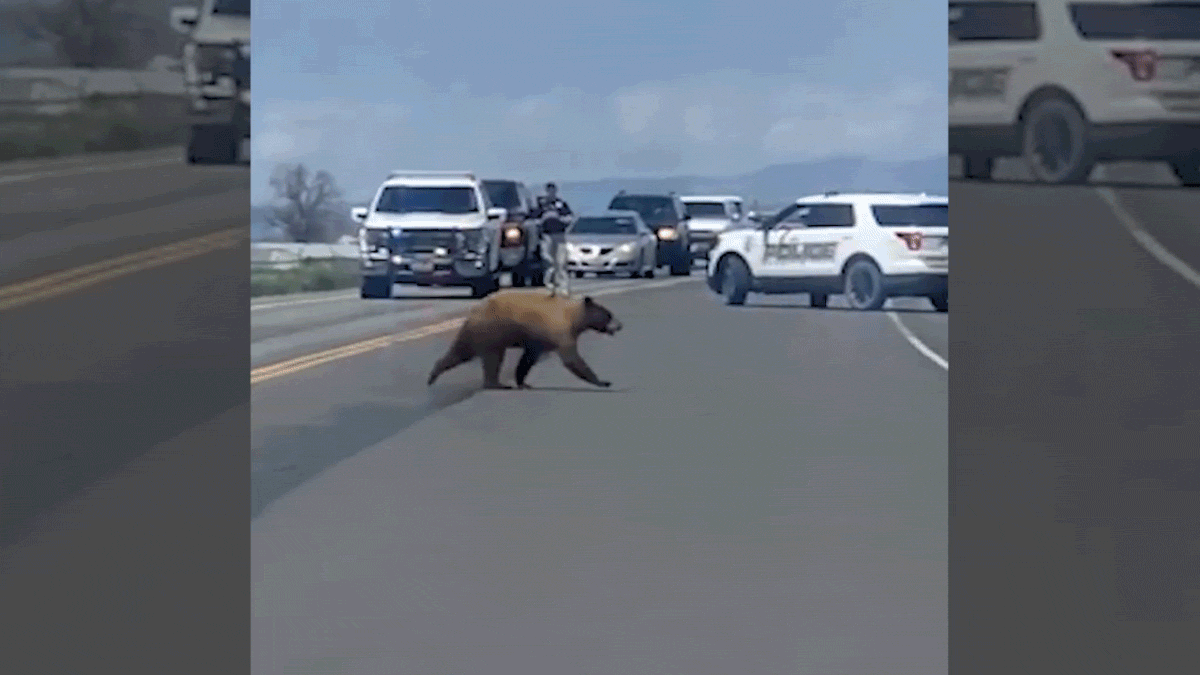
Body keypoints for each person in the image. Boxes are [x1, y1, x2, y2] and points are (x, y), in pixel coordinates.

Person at [534, 182, 574, 297]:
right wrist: (543, 220)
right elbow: (534, 219)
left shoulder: (561, 204)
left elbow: (569, 218)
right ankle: (549, 287)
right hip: (546, 236)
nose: (550, 193)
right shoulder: (541, 205)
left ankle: (563, 287)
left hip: (559, 236)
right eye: (548, 190)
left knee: (561, 262)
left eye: (552, 190)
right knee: (548, 261)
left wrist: (559, 219)